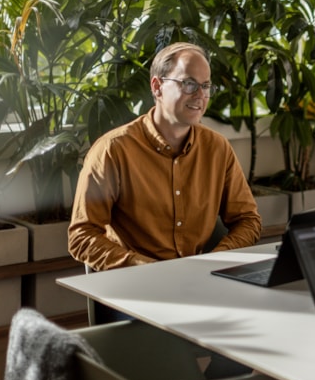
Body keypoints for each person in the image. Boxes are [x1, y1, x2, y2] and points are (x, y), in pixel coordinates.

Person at [68, 42, 262, 272]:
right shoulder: (112, 151)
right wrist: (145, 268)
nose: (200, 95)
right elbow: (82, 236)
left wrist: (213, 261)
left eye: (206, 85)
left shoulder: (217, 148)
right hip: (135, 288)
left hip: (199, 281)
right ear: (157, 87)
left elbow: (248, 221)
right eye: (189, 84)